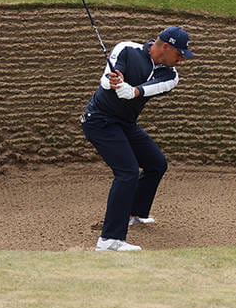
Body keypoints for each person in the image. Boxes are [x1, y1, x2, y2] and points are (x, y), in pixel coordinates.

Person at [82, 27, 195, 251]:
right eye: (179, 53)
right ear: (166, 47)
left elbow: (146, 90)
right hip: (100, 121)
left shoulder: (170, 75)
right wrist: (115, 81)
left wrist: (132, 90)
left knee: (156, 164)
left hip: (125, 124)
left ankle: (133, 212)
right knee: (127, 172)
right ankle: (109, 240)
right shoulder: (127, 49)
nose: (182, 58)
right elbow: (106, 83)